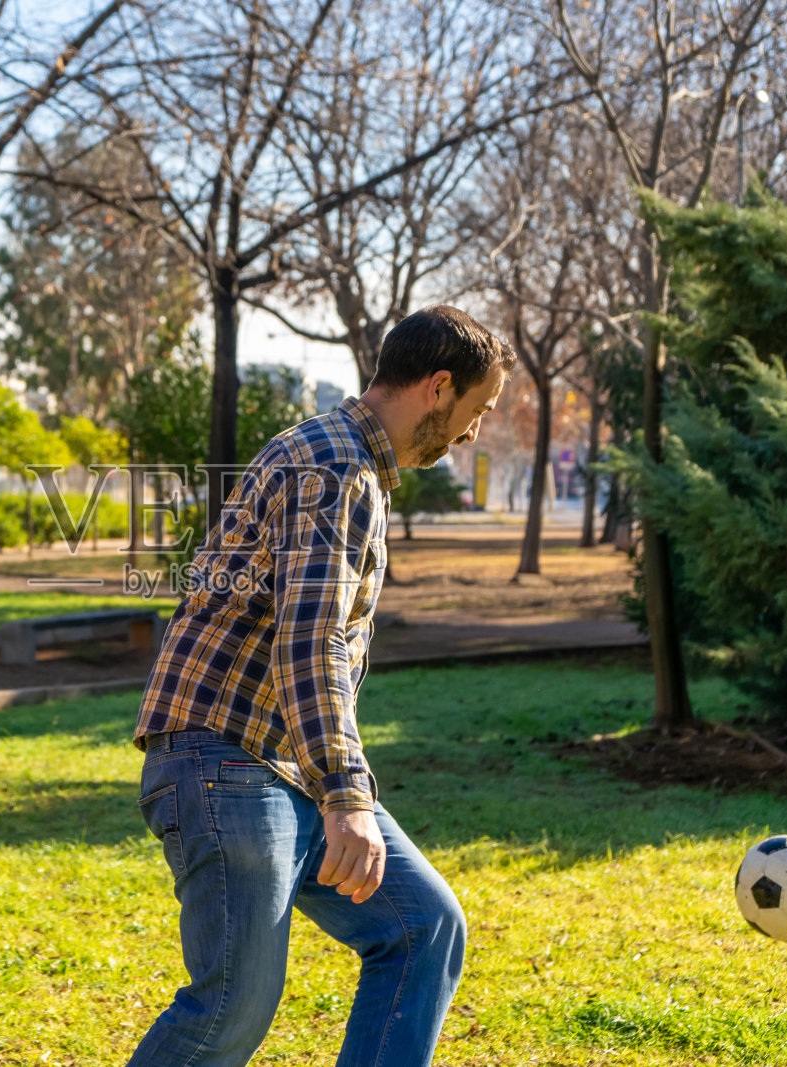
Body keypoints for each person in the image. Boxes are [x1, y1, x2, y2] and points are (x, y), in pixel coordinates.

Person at [129, 306, 514, 1066]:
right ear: (439, 387)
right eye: (479, 409)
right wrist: (348, 797)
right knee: (229, 1010)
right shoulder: (337, 467)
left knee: (422, 927)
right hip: (226, 761)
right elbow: (311, 641)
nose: (474, 432)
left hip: (274, 763)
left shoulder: (341, 456)